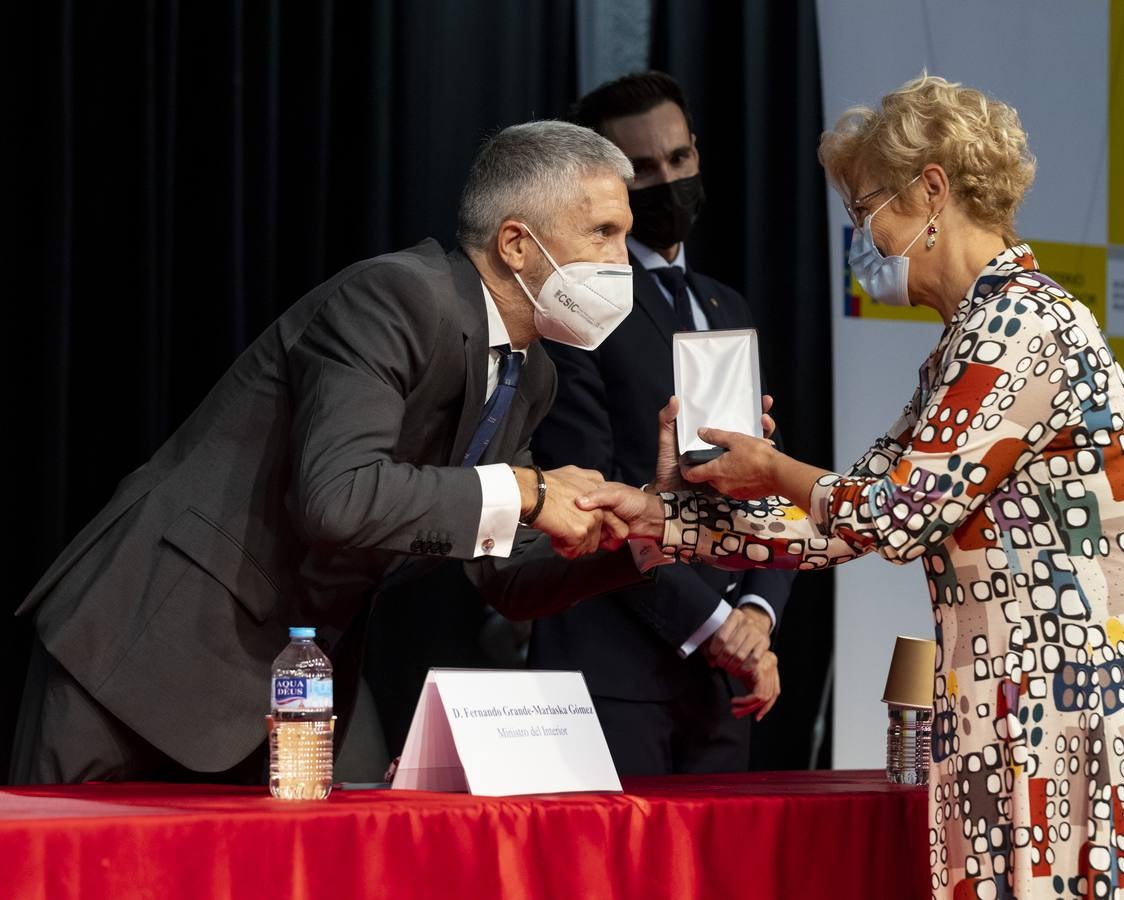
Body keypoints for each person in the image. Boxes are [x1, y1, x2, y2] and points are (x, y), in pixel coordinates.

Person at [582, 74, 1124, 898]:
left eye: (865, 210)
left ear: (932, 191)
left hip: (1089, 703)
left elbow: (895, 515)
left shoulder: (1024, 326)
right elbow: (842, 520)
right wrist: (656, 514)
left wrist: (774, 468)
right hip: (1023, 703)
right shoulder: (965, 343)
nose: (860, 235)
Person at [10, 120, 650, 785]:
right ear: (517, 243)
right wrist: (529, 491)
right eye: (602, 233)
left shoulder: (531, 373)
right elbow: (338, 498)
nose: (621, 260)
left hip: (284, 684)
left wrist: (630, 540)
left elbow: (505, 575)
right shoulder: (395, 296)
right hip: (146, 648)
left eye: (624, 235)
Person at [529, 71, 790, 775]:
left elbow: (766, 479)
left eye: (679, 159)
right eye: (642, 168)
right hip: (614, 676)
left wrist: (758, 618)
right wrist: (717, 627)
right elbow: (590, 493)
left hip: (725, 684)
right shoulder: (574, 311)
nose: (667, 180)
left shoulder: (727, 304)